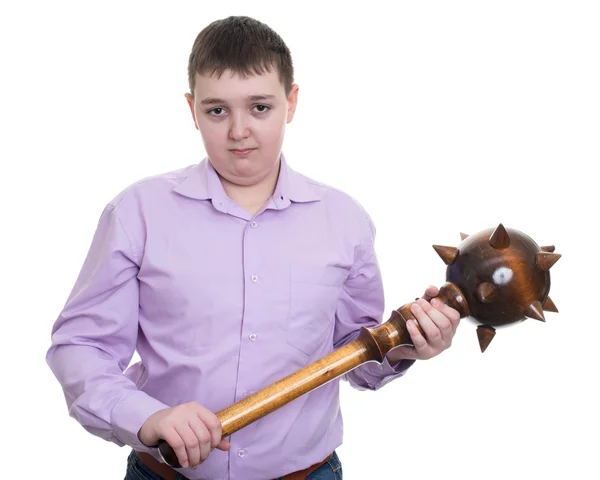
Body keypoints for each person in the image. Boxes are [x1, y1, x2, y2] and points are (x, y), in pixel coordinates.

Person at [46, 15, 461, 480]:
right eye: (217, 110)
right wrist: (147, 417)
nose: (239, 130)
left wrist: (406, 347)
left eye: (259, 107)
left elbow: (355, 357)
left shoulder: (345, 221)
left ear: (292, 102)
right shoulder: (137, 213)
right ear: (192, 109)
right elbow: (80, 346)